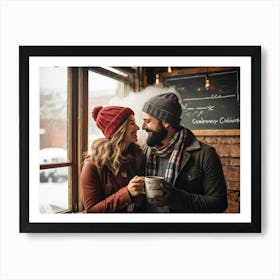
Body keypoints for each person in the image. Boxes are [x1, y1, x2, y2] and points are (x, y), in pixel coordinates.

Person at [141, 92, 228, 213]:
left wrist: (174, 197)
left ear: (166, 122)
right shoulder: (145, 151)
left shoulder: (205, 154)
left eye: (148, 121)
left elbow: (219, 204)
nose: (143, 127)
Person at [80, 106, 145, 213]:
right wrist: (127, 193)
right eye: (132, 123)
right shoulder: (92, 166)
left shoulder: (136, 157)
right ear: (120, 129)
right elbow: (91, 211)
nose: (138, 128)